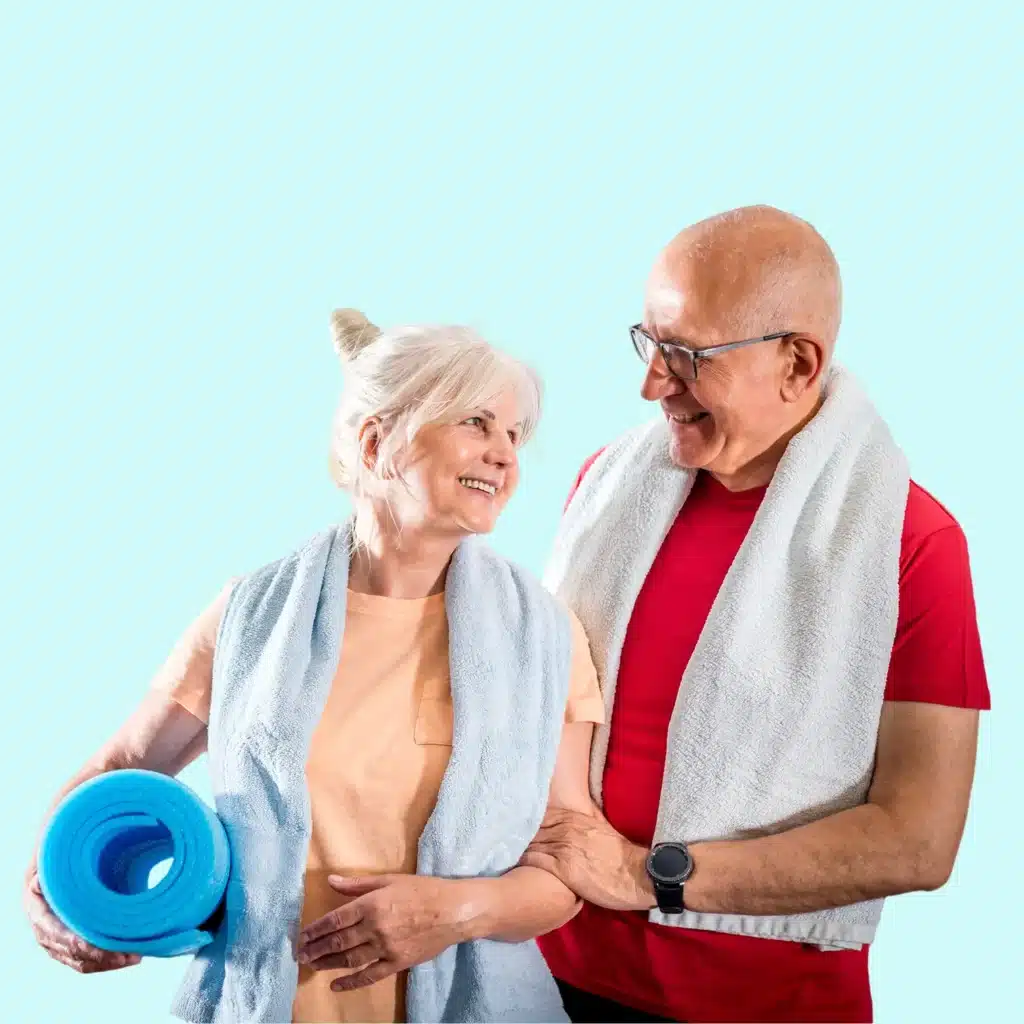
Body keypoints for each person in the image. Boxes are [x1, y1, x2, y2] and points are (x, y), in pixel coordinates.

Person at [24, 311, 604, 1023]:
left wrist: (459, 910)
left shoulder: (544, 636)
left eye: (516, 436)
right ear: (375, 440)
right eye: (477, 424)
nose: (505, 456)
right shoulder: (249, 617)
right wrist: (45, 891)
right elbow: (121, 771)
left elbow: (566, 865)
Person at [522, 206, 990, 1023]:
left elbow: (919, 840)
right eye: (650, 342)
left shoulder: (911, 546)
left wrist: (647, 875)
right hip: (543, 978)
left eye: (687, 356)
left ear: (798, 363)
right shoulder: (606, 490)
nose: (651, 384)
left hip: (767, 1003)